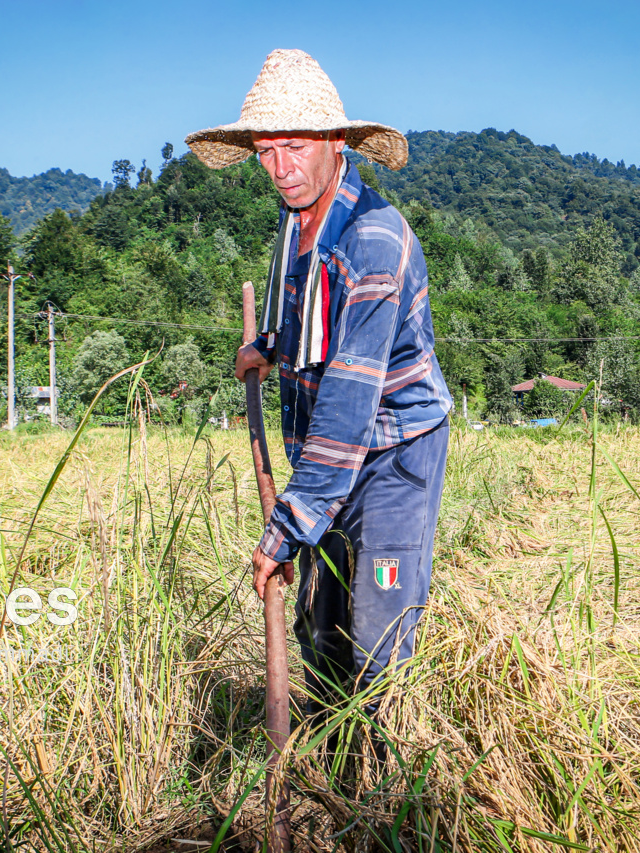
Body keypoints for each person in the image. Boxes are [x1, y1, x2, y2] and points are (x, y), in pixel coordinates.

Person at [186, 49, 453, 719]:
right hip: (326, 461)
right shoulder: (296, 222)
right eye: (267, 151)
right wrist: (268, 347)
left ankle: (384, 804)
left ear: (335, 143)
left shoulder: (374, 239)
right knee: (319, 621)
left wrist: (282, 531)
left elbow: (347, 400)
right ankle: (329, 772)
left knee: (378, 628)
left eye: (295, 147)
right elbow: (312, 323)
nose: (280, 167)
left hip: (392, 460)